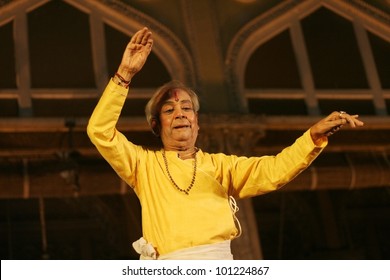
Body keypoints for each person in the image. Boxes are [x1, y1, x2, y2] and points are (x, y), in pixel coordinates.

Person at [87, 27, 364, 260]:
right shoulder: (142, 165)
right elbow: (100, 131)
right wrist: (124, 75)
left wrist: (313, 136)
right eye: (170, 110)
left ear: (197, 122)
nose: (180, 113)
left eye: (186, 108)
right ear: (156, 125)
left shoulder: (221, 166)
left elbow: (274, 170)